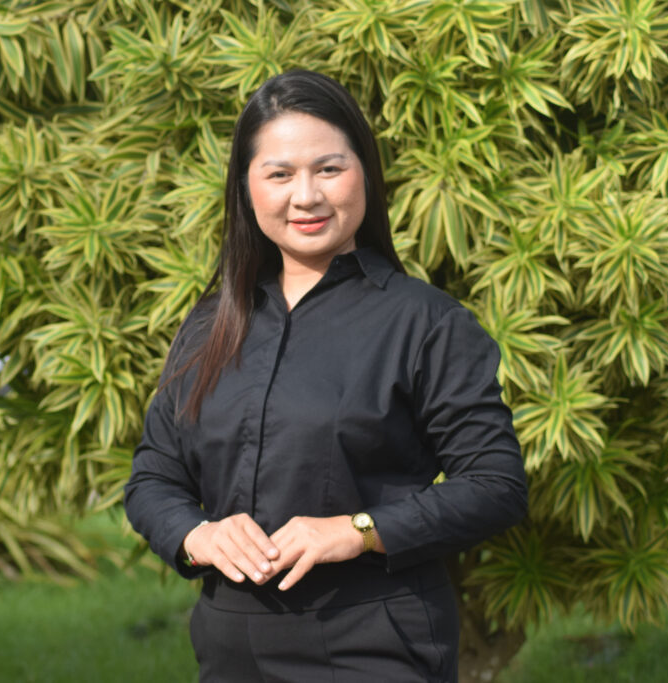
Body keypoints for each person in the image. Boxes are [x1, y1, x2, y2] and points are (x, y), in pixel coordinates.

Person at [124, 70, 528, 682]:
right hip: (230, 651)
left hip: (372, 645)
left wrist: (361, 530)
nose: (306, 196)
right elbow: (154, 477)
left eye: (329, 169)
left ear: (365, 173)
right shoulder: (212, 324)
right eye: (279, 174)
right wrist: (196, 535)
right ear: (246, 188)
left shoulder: (426, 324)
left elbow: (496, 485)